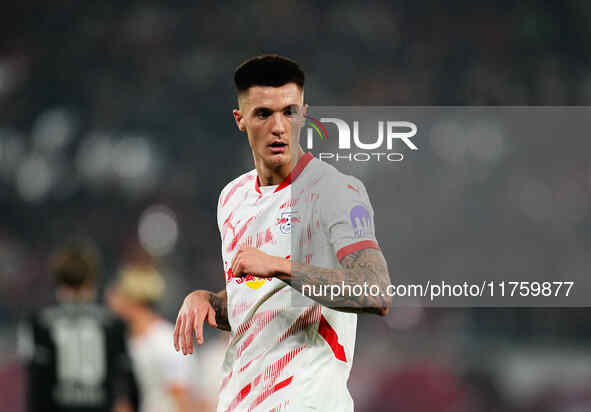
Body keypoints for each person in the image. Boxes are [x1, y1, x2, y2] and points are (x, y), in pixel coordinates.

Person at [173, 55, 392, 411]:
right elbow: (258, 303)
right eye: (263, 114)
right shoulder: (232, 198)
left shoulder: (333, 191)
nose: (279, 126)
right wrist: (209, 301)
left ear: (303, 114)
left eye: (289, 112)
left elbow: (376, 291)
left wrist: (279, 265)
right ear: (240, 119)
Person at [18, 242, 137, 412]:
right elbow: (127, 384)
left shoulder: (38, 323)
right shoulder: (114, 324)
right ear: (92, 278)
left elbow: (36, 383)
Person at [107, 263, 195, 412]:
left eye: (118, 294)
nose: (111, 299)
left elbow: (181, 400)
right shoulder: (126, 341)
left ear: (133, 299)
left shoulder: (166, 341)